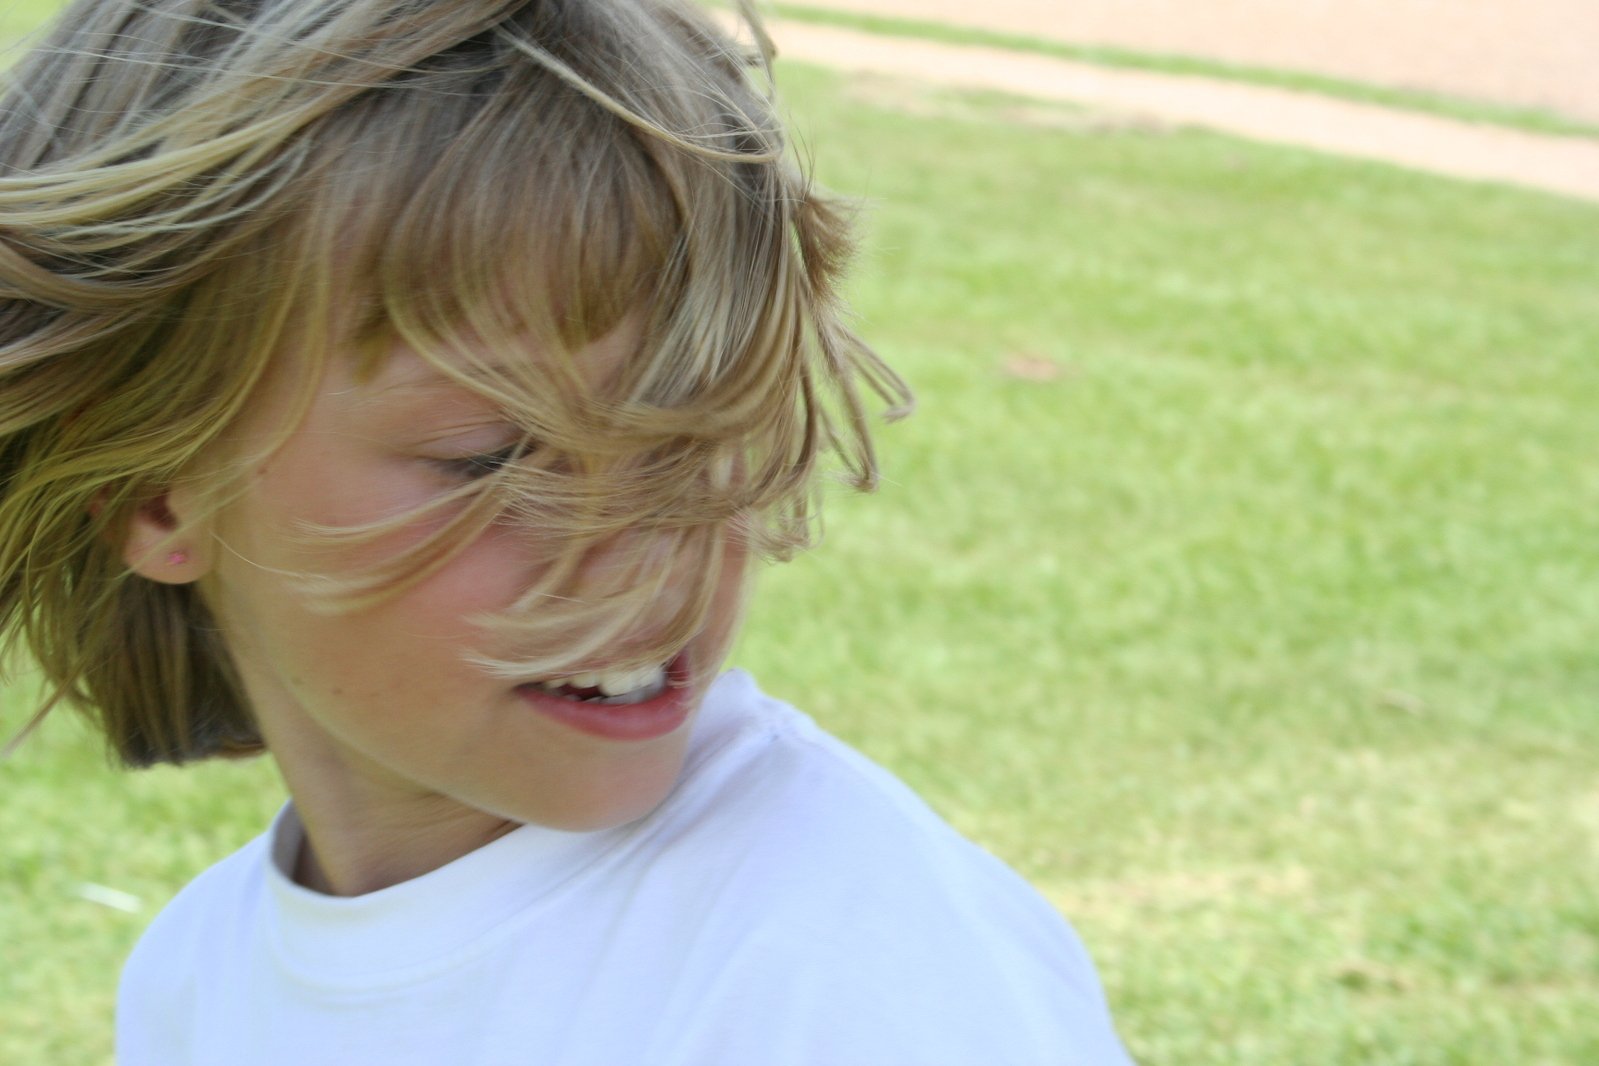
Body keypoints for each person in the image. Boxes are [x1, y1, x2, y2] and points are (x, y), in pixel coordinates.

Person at [0, 0, 1135, 1062]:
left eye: (699, 434)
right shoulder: (194, 981)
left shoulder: (850, 973)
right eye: (492, 458)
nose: (652, 551)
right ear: (157, 496)